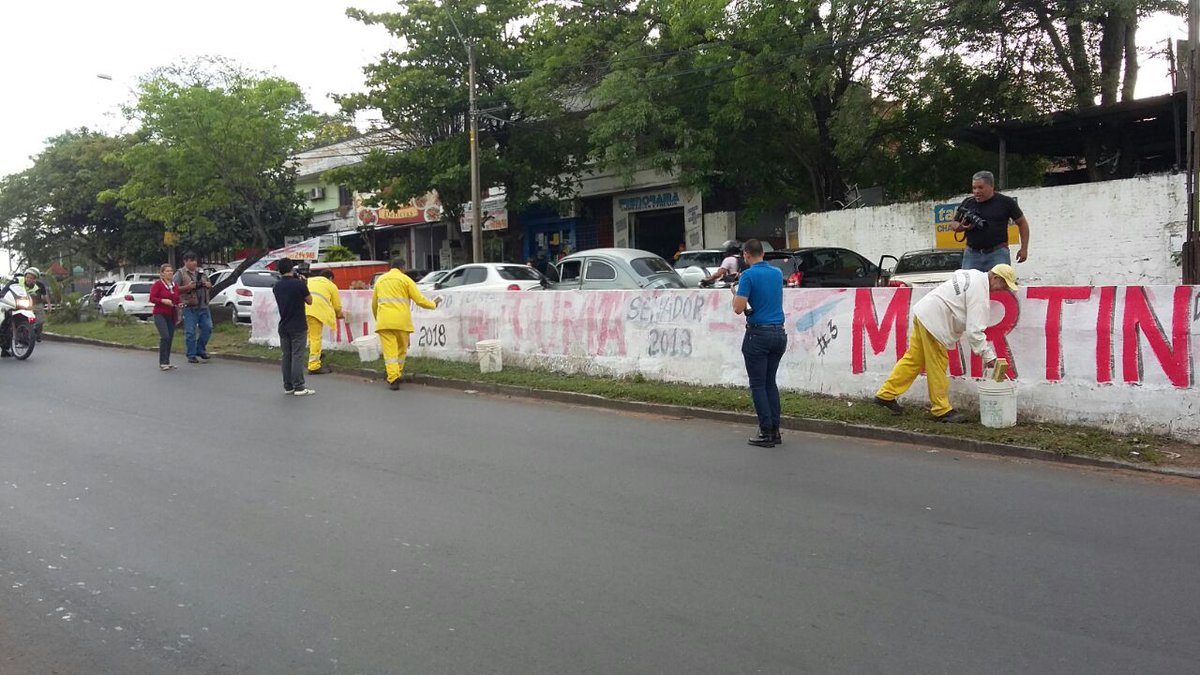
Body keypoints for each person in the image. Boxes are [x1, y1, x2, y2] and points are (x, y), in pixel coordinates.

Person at [875, 264, 1019, 423]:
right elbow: (974, 331)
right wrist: (988, 356)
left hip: (924, 312)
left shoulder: (973, 274)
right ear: (995, 278)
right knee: (937, 364)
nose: (1003, 289)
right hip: (935, 322)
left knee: (914, 359)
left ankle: (885, 395)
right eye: (1004, 285)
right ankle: (941, 410)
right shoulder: (980, 293)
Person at [734, 239, 787, 448]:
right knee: (770, 382)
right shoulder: (776, 273)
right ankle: (775, 430)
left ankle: (765, 432)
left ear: (747, 255)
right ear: (762, 253)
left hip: (758, 334)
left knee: (758, 384)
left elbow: (739, 308)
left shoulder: (748, 275)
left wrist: (735, 292)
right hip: (779, 333)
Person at [372, 259, 441, 391]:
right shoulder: (406, 280)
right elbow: (419, 299)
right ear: (402, 268)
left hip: (384, 322)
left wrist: (378, 319)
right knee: (401, 350)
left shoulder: (380, 280)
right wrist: (433, 304)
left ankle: (393, 377)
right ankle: (395, 375)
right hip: (401, 322)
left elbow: (374, 304)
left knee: (389, 352)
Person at [953, 170, 1031, 272]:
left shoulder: (1006, 202)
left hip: (998, 253)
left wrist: (1024, 248)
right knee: (968, 285)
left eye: (980, 187)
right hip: (972, 254)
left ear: (991, 186)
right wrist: (963, 227)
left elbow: (1022, 223)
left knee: (1000, 285)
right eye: (974, 188)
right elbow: (953, 223)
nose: (976, 191)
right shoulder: (968, 202)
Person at [273, 258, 315, 396]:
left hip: (284, 324)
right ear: (292, 268)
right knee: (297, 355)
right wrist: (304, 284)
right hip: (298, 325)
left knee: (287, 356)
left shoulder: (277, 286)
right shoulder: (299, 284)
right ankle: (299, 386)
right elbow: (310, 301)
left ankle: (288, 385)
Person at [174, 252, 214, 364]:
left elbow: (209, 284)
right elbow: (174, 289)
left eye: (195, 260)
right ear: (185, 261)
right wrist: (188, 287)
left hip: (203, 305)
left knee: (208, 328)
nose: (194, 263)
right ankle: (191, 354)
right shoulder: (180, 273)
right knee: (190, 332)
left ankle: (200, 349)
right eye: (191, 260)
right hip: (190, 306)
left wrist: (208, 285)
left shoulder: (201, 272)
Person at [305, 269, 343, 375]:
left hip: (303, 310)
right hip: (316, 312)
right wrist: (339, 314)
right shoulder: (331, 285)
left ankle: (316, 353)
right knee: (316, 338)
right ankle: (314, 366)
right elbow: (337, 306)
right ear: (330, 278)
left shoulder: (310, 280)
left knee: (311, 336)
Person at [149, 263, 181, 371]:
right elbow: (152, 298)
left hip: (171, 314)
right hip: (160, 313)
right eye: (167, 271)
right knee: (165, 336)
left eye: (171, 271)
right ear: (162, 273)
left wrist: (179, 303)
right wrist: (162, 300)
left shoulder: (174, 285)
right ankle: (162, 362)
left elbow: (177, 298)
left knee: (170, 338)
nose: (170, 273)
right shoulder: (158, 284)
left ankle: (167, 361)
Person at [17, 268, 49, 343]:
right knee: (28, 321)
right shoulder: (20, 283)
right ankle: (26, 335)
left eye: (31, 278)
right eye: (27, 277)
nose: (29, 279)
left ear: (35, 279)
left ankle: (37, 333)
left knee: (40, 321)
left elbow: (45, 295)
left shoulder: (40, 286)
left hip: (38, 305)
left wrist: (49, 304)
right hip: (26, 305)